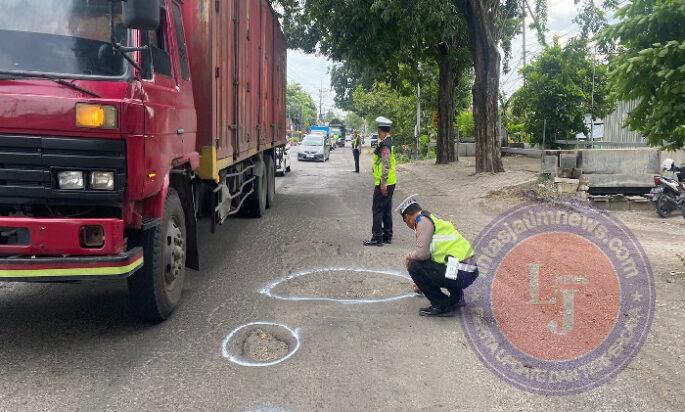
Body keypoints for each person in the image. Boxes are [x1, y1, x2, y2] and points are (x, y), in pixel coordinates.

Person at [397, 195, 479, 317]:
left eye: (405, 221)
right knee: (445, 263)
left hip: (461, 271)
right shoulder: (433, 219)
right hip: (469, 270)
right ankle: (457, 299)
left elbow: (422, 255)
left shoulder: (422, 222)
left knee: (413, 264)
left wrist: (409, 256)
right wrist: (421, 282)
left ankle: (441, 305)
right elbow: (434, 257)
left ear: (407, 217)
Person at [363, 117, 396, 247]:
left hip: (384, 183)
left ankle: (377, 238)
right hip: (390, 182)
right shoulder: (388, 142)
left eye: (378, 131)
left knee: (377, 210)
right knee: (386, 209)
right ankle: (387, 236)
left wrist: (383, 183)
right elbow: (382, 161)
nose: (378, 133)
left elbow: (386, 164)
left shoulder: (385, 144)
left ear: (382, 131)